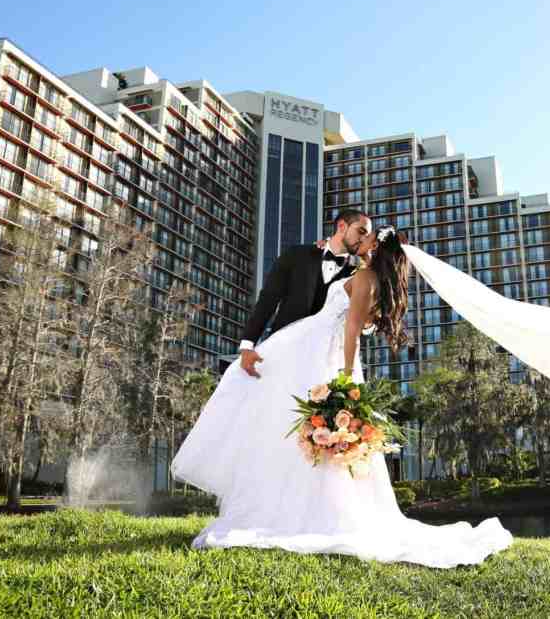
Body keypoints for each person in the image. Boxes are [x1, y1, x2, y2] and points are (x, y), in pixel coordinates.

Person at [170, 226, 512, 568]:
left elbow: (352, 329)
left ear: (375, 247)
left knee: (279, 414)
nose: (361, 240)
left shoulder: (364, 277)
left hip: (316, 348)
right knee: (281, 419)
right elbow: (355, 319)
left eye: (367, 237)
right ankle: (300, 506)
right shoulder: (370, 278)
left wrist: (346, 376)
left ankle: (295, 512)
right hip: (312, 345)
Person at [237, 208, 372, 379]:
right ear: (342, 226)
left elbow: (358, 328)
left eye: (367, 237)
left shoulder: (356, 277)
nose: (363, 240)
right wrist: (247, 346)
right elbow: (267, 300)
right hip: (281, 350)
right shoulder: (296, 255)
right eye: (361, 232)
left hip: (323, 365)